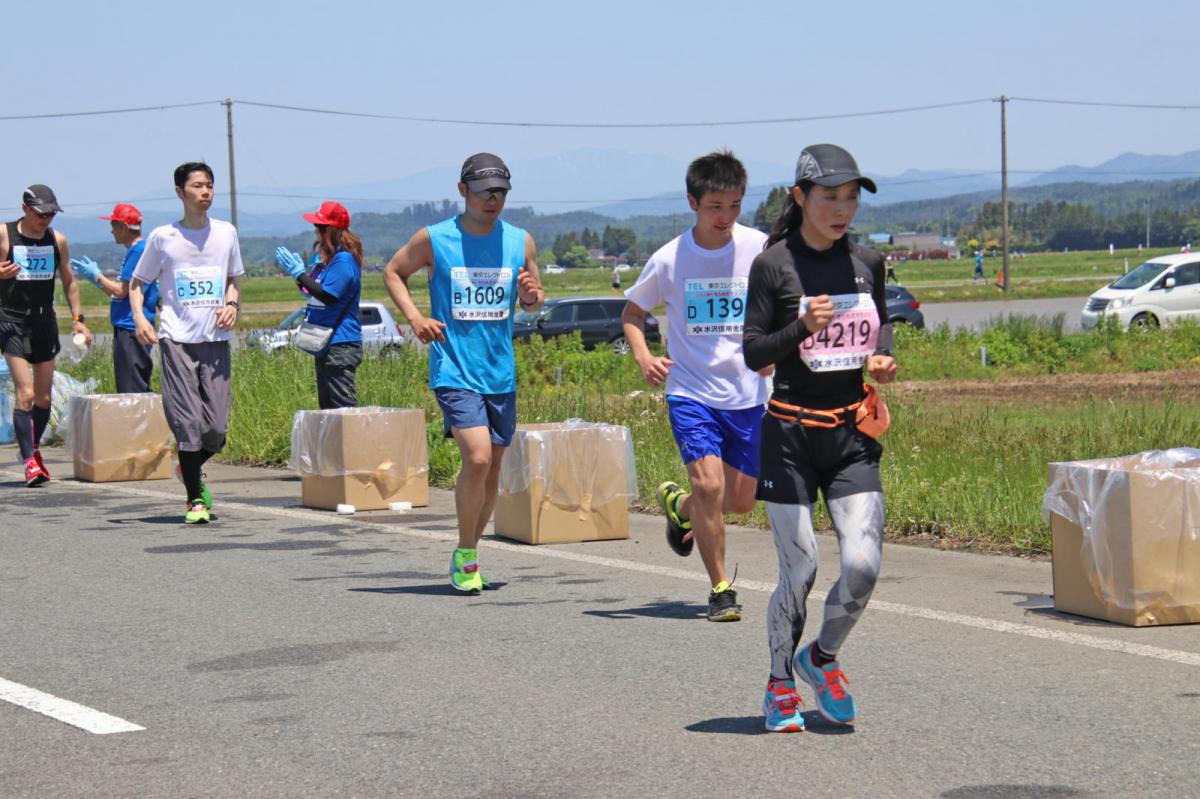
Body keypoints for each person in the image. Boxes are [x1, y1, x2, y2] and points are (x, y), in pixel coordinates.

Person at [743, 144, 897, 733]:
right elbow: (754, 351)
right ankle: (779, 682)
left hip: (850, 434)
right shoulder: (773, 265)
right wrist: (801, 327)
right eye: (830, 196)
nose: (842, 209)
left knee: (862, 565)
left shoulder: (867, 262)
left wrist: (882, 359)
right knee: (801, 569)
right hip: (789, 436)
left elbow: (880, 330)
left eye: (851, 197)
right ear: (800, 197)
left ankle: (822, 658)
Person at [382, 153, 544, 594]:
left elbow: (533, 300)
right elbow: (393, 272)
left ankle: (468, 551)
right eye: (484, 192)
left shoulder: (520, 241)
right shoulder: (435, 238)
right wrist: (415, 318)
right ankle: (465, 553)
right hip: (453, 366)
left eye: (501, 192)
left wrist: (532, 296)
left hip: (500, 371)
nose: (493, 200)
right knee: (476, 457)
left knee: (491, 469)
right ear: (463, 191)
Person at [621, 151, 769, 623]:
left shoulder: (760, 248)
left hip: (748, 393)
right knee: (710, 486)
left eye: (734, 206)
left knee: (739, 501)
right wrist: (644, 356)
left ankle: (680, 506)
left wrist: (776, 350)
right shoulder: (670, 259)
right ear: (692, 203)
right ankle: (721, 589)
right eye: (714, 207)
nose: (725, 217)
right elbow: (632, 314)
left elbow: (785, 303)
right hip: (690, 392)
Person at [130, 162, 244, 524]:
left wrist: (231, 305)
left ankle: (187, 468)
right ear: (180, 192)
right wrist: (140, 319)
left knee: (216, 430)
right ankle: (195, 499)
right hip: (176, 338)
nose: (205, 191)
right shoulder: (163, 237)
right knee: (189, 423)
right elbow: (138, 283)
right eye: (197, 186)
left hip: (215, 339)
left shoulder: (226, 233)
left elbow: (233, 279)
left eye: (209, 185)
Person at [0, 184, 92, 486]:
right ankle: (29, 462)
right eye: (41, 214)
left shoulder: (57, 240)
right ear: (25, 208)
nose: (46, 219)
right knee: (25, 393)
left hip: (44, 320)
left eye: (51, 214)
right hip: (11, 319)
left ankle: (33, 447)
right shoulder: (4, 234)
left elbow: (69, 282)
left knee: (43, 397)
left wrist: (78, 320)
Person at [274, 201, 364, 409]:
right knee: (328, 409)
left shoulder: (344, 261)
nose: (316, 231)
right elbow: (312, 291)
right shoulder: (330, 261)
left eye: (320, 227)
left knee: (343, 409)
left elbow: (328, 296)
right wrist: (300, 277)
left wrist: (299, 274)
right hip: (326, 344)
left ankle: (354, 433)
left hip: (340, 344)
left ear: (331, 230)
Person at [71, 203, 160, 393]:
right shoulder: (137, 250)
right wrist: (98, 281)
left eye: (113, 226)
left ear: (123, 227)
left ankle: (137, 414)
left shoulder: (138, 251)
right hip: (128, 326)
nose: (111, 231)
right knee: (131, 383)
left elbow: (121, 291)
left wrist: (97, 276)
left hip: (131, 327)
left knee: (132, 388)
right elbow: (119, 293)